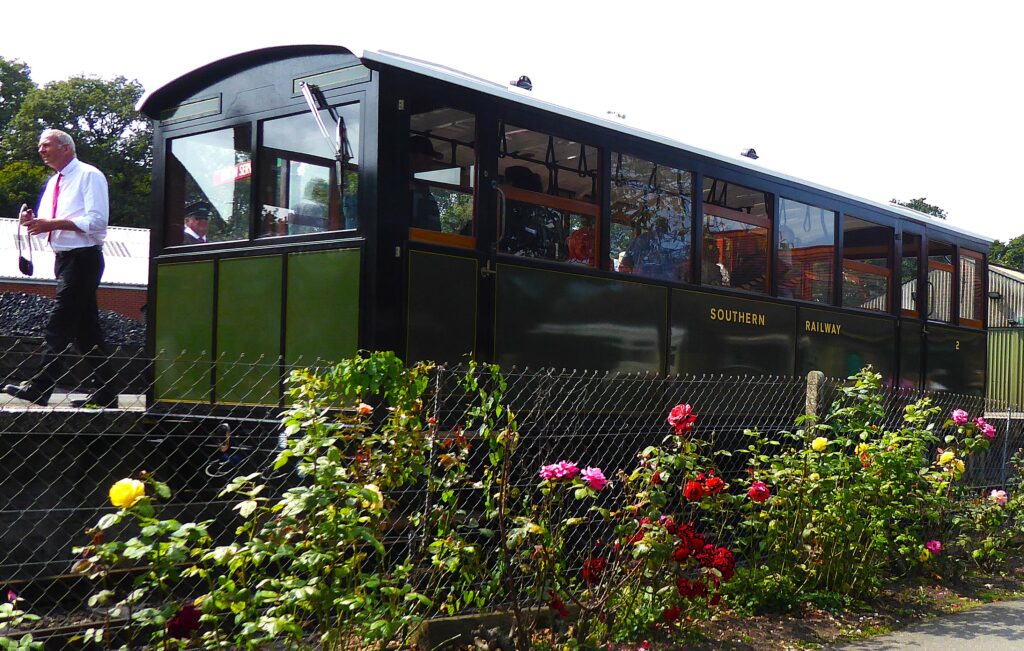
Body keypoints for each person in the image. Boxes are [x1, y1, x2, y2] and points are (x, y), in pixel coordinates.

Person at [3, 129, 117, 408]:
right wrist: (34, 222)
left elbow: (97, 221)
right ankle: (107, 393)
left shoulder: (90, 175)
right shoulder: (54, 182)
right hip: (64, 259)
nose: (41, 150)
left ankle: (40, 387)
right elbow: (47, 229)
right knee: (86, 329)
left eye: (46, 145)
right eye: (40, 146)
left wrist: (50, 224)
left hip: (84, 258)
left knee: (60, 322)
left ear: (66, 148)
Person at [408, 135, 442, 231]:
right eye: (426, 158)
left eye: (430, 159)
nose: (430, 164)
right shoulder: (392, 190)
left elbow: (435, 234)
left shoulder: (428, 196)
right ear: (411, 157)